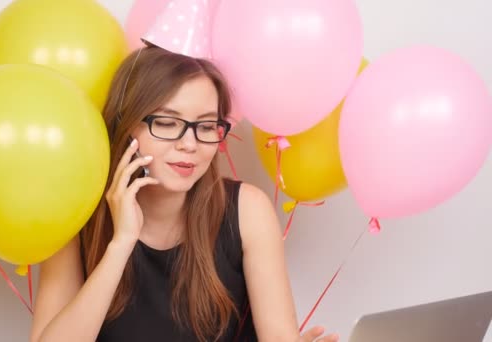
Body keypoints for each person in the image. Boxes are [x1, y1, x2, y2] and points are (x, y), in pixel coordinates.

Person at [29, 45, 338, 342]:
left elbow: (279, 337)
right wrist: (120, 245)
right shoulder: (78, 214)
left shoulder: (247, 210)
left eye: (205, 126)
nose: (189, 144)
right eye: (166, 122)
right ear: (125, 125)